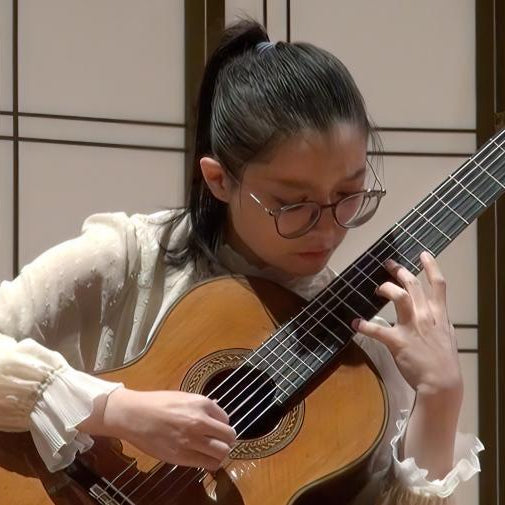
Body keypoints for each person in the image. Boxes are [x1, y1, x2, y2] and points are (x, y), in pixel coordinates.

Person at [0, 18, 483, 504]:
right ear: (218, 180)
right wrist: (117, 410)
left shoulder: (367, 355)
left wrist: (441, 399)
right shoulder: (130, 258)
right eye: (293, 204)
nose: (329, 228)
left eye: (349, 194)